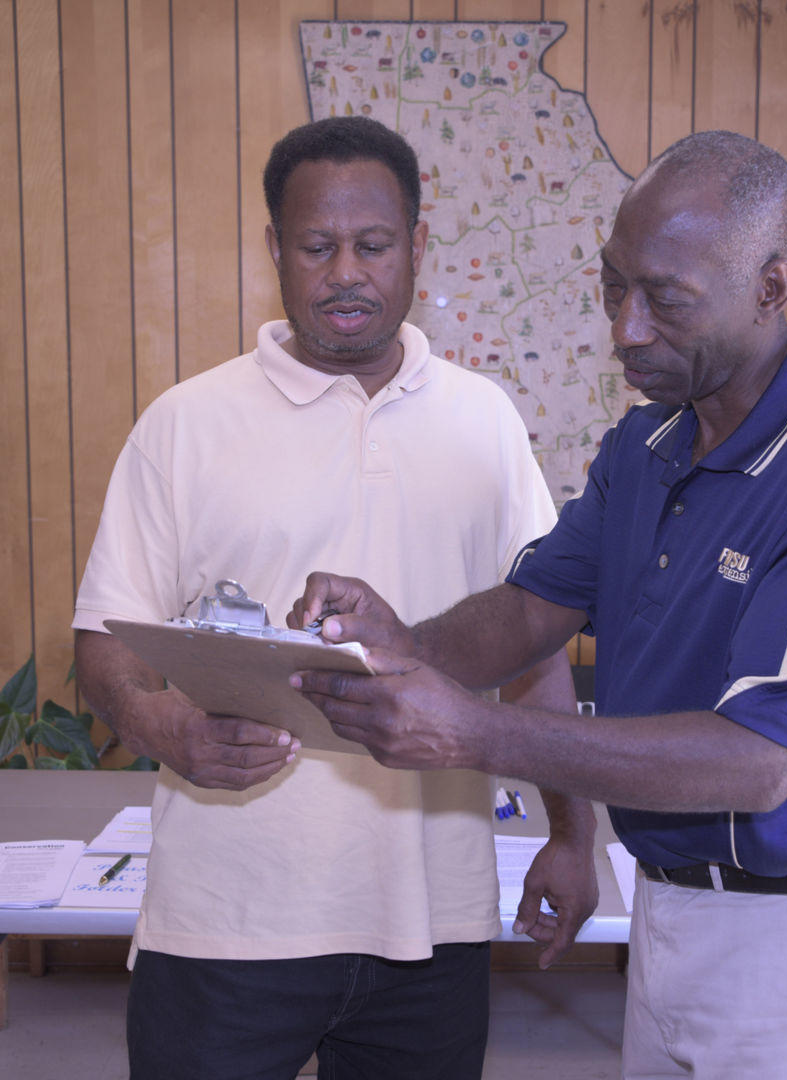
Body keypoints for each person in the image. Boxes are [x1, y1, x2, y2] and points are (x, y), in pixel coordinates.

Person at [289, 130, 787, 1079]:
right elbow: (525, 614)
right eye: (612, 288)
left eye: (665, 300)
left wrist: (474, 734)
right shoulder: (644, 447)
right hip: (669, 904)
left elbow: (762, 764)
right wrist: (397, 644)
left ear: (769, 286)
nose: (625, 330)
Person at [72, 115, 597, 1080]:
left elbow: (531, 646)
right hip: (225, 924)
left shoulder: (485, 422)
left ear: (417, 247)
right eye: (316, 247)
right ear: (275, 247)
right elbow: (103, 647)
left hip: (431, 926)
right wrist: (164, 726)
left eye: (373, 245)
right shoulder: (184, 424)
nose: (346, 272)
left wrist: (570, 832)